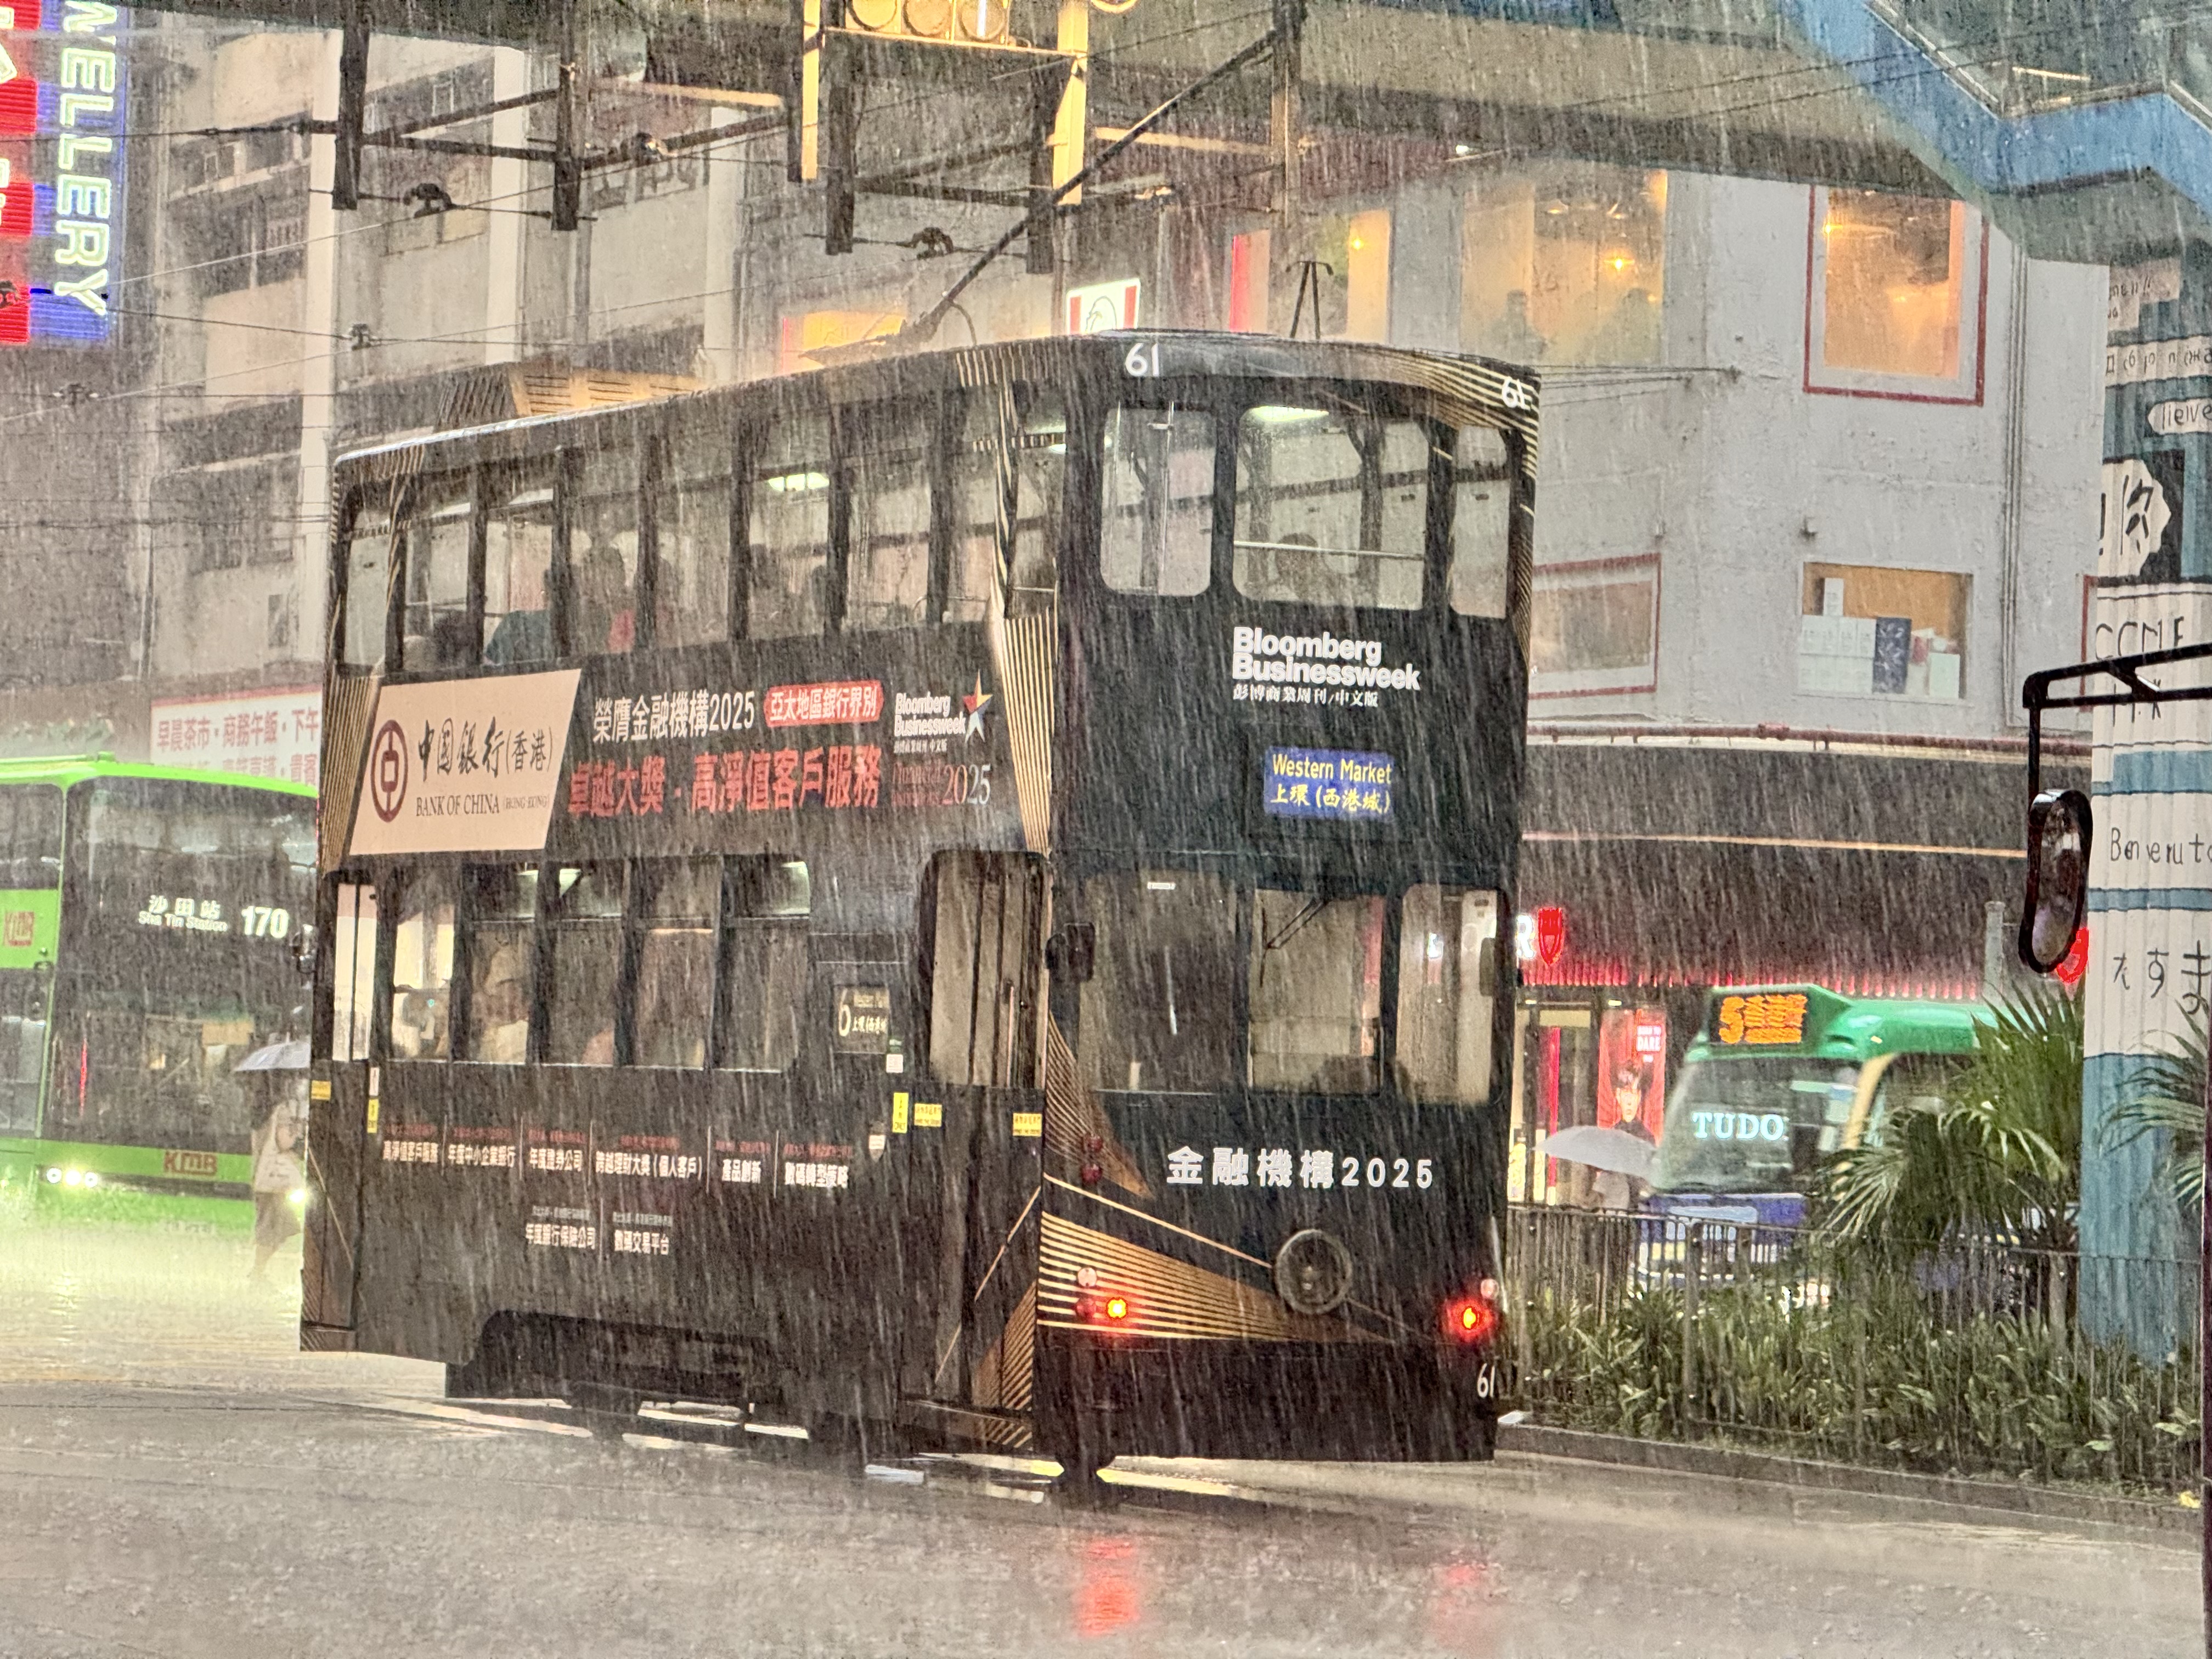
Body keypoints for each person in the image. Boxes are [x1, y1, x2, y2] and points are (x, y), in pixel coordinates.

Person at [249, 1075, 308, 1281]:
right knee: (273, 1228)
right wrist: (299, 1133)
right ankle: (257, 1272)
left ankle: (258, 1271)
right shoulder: (281, 1112)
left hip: (266, 1180)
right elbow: (284, 1142)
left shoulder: (262, 1115)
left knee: (279, 1227)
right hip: (276, 1181)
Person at [1592, 1066, 1656, 1211]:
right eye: (1626, 1094)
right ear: (1618, 1096)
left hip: (1638, 1210)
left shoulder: (1646, 1137)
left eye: (1633, 1094)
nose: (1629, 1102)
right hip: (1615, 1209)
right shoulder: (1611, 1136)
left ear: (1639, 1097)